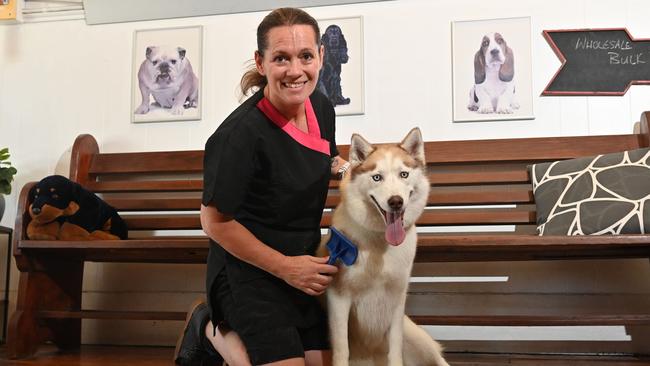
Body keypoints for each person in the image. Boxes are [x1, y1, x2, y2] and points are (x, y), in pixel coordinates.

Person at [174, 7, 350, 366]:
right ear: (261, 62)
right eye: (281, 58)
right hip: (246, 270)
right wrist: (286, 267)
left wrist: (348, 169)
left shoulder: (321, 107)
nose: (295, 71)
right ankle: (205, 328)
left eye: (305, 56)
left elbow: (324, 156)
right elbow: (214, 222)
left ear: (321, 55)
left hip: (303, 262)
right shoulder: (239, 135)